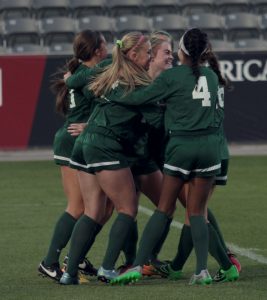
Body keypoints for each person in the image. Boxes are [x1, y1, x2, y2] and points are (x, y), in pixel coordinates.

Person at [109, 28, 239, 286]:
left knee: (164, 209)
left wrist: (113, 93)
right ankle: (203, 270)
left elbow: (140, 98)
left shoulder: (173, 77)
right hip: (211, 148)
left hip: (182, 147)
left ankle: (137, 264)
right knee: (198, 212)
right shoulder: (212, 77)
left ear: (182, 51)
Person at [59, 31, 162, 285]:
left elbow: (96, 98)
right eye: (147, 52)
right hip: (104, 145)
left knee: (92, 211)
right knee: (127, 208)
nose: (150, 56)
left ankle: (69, 274)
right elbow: (157, 121)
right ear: (133, 54)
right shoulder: (138, 83)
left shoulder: (110, 71)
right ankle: (107, 268)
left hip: (84, 143)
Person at [38, 30, 108, 282]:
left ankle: (76, 256)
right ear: (98, 50)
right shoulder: (87, 76)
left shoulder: (79, 74)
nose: (108, 47)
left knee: (103, 207)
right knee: (79, 206)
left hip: (81, 140)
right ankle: (50, 262)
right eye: (105, 43)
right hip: (74, 141)